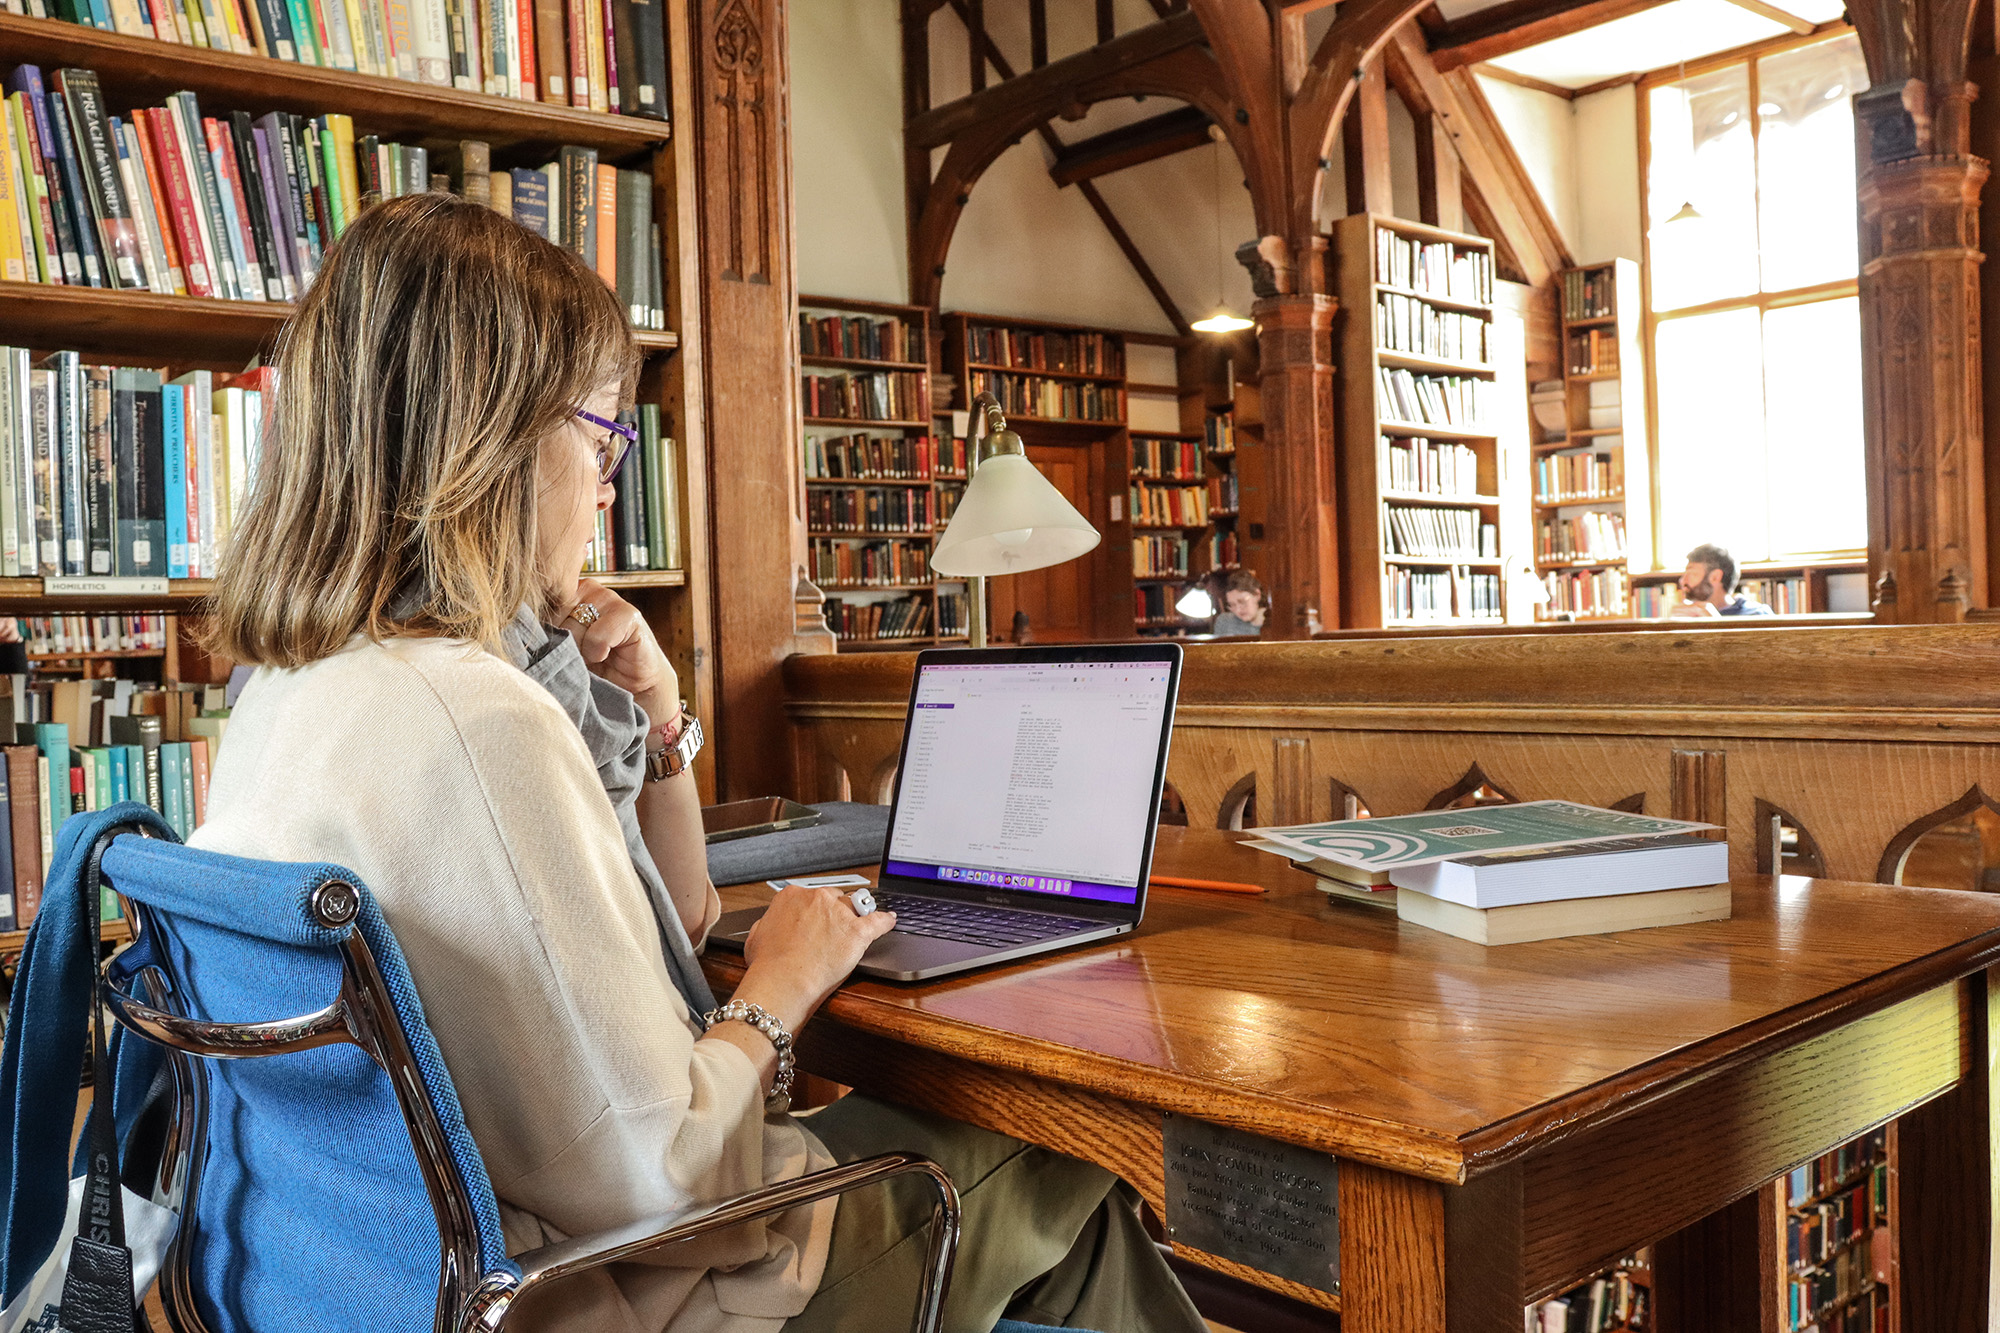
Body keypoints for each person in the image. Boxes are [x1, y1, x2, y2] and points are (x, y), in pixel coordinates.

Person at [195, 195, 1203, 1333]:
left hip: (392, 1286)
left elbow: (658, 931)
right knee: (1055, 1154)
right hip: (637, 1293)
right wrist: (781, 981)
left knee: (1080, 1244)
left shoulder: (288, 688)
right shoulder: (478, 720)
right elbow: (673, 1181)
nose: (610, 477)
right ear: (495, 438)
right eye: (602, 433)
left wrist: (662, 720)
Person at [1669, 543, 1773, 618]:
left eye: (1692, 573)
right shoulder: (1687, 616)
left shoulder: (1757, 615)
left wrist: (1714, 624)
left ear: (1715, 577)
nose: (1682, 581)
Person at [1210, 569, 1268, 637]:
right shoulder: (1224, 622)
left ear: (1257, 595)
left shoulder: (1276, 623)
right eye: (1232, 605)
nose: (1238, 610)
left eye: (1242, 602)